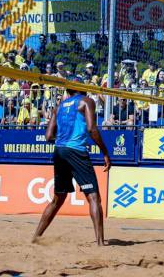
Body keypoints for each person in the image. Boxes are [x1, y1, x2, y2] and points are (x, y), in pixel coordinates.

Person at [32, 77, 111, 246]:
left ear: (68, 90)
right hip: (76, 150)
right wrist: (105, 153)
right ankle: (100, 243)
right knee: (94, 197)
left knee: (57, 199)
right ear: (82, 88)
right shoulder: (86, 101)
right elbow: (91, 129)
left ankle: (36, 236)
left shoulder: (59, 108)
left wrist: (64, 141)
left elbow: (48, 137)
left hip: (59, 150)